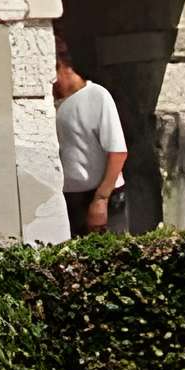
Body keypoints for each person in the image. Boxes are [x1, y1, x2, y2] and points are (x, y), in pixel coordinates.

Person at [52, 46, 126, 235]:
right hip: (69, 198)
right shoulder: (54, 104)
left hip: (99, 196)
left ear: (61, 67)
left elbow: (118, 152)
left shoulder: (96, 96)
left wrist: (101, 199)